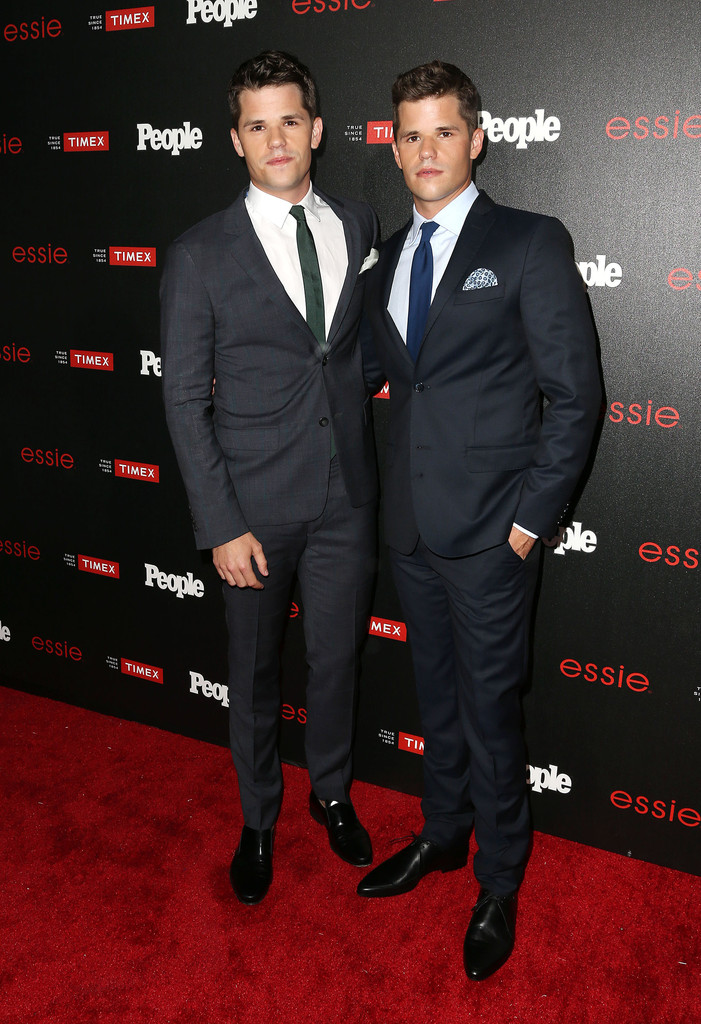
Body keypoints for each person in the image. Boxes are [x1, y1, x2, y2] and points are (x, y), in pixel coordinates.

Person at [357, 61, 600, 979]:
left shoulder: (531, 241)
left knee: (491, 714)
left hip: (495, 534)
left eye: (443, 132)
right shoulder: (386, 254)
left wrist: (529, 523)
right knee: (436, 702)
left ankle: (498, 879)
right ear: (392, 143)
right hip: (412, 530)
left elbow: (574, 397)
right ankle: (443, 836)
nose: (426, 150)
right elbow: (394, 383)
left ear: (478, 138)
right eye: (409, 134)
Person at [160, 51, 380, 905]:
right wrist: (218, 522)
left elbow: (351, 352)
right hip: (251, 508)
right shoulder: (198, 254)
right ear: (235, 139)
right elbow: (183, 398)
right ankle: (258, 819)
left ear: (316, 130)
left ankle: (330, 793)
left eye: (290, 119)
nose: (276, 138)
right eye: (257, 124)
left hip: (346, 500)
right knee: (252, 675)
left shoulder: (357, 222)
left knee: (335, 663)